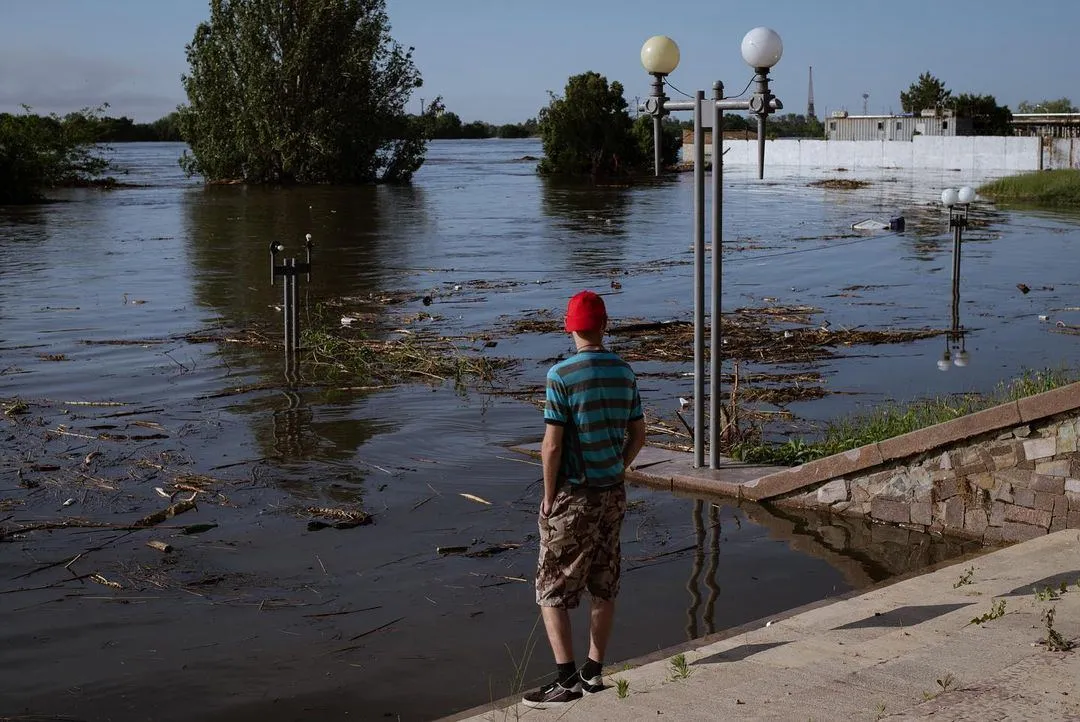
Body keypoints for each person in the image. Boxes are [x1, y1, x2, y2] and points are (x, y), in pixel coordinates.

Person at [522, 290, 647, 709]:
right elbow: (639, 434)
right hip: (612, 493)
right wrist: (618, 465)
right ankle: (594, 672)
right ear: (604, 325)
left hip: (575, 494)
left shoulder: (561, 375)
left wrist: (548, 495)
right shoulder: (625, 372)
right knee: (604, 581)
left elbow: (552, 447)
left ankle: (565, 679)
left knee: (549, 587)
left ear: (568, 325)